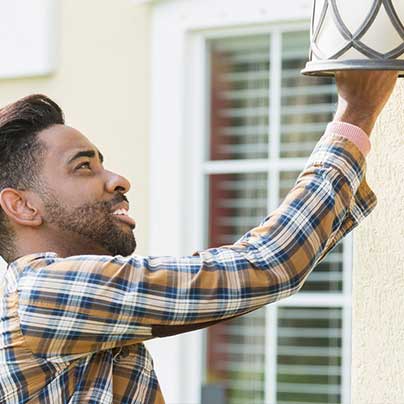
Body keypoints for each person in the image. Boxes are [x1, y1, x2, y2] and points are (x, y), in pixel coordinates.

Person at [0, 70, 397, 403]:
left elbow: (260, 275)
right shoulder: (43, 293)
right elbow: (267, 264)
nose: (119, 180)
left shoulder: (55, 304)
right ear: (23, 206)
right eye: (83, 167)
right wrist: (356, 114)